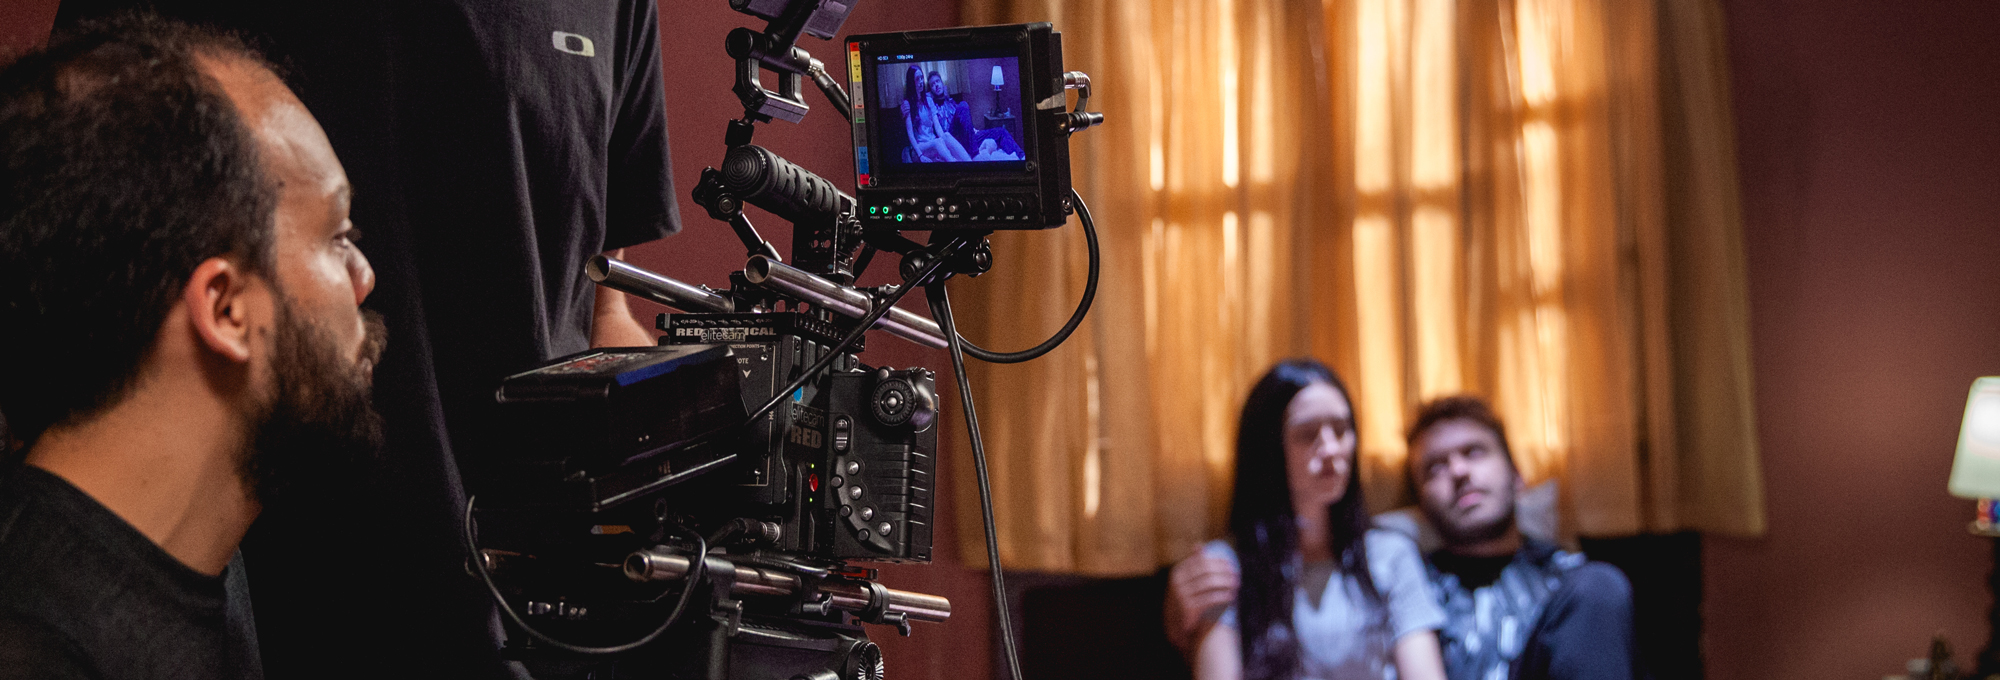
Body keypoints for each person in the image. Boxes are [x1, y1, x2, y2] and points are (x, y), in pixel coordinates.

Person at [47, 1, 681, 675]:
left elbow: (599, 310)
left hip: (536, 623)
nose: (363, 277)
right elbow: (83, 251)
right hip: (267, 618)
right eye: (338, 238)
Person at [0, 16, 383, 679]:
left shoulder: (199, 564)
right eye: (337, 236)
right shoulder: (32, 649)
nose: (364, 278)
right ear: (226, 308)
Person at [1169, 359, 1447, 680]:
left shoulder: (1389, 554)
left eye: (1341, 430)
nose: (1331, 449)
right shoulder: (1226, 567)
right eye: (1307, 434)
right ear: (1269, 448)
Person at [1403, 396, 1634, 680]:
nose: (1458, 472)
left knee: (1599, 587)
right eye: (1435, 468)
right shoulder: (1409, 589)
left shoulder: (1570, 582)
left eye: (1474, 452)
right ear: (1420, 505)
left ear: (1516, 476)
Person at [901, 65, 970, 162]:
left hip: (933, 142)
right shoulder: (907, 104)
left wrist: (945, 140)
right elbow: (910, 135)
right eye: (917, 79)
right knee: (937, 142)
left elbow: (937, 126)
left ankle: (969, 163)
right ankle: (954, 163)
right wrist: (920, 156)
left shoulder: (928, 100)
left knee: (945, 136)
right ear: (912, 82)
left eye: (922, 78)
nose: (921, 82)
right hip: (919, 147)